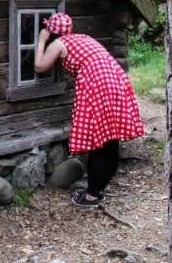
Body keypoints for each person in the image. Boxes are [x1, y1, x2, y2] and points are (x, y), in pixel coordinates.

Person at [33, 12, 144, 207]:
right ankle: (99, 189)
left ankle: (92, 196)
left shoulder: (59, 44)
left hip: (96, 83)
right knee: (111, 138)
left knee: (98, 143)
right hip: (115, 78)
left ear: (52, 32)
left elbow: (39, 66)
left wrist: (42, 40)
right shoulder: (83, 38)